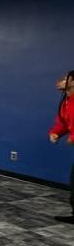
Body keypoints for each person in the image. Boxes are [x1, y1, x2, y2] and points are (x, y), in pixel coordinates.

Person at [49, 70, 74, 224]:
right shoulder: (66, 101)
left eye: (65, 79)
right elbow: (63, 122)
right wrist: (56, 133)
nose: (60, 81)